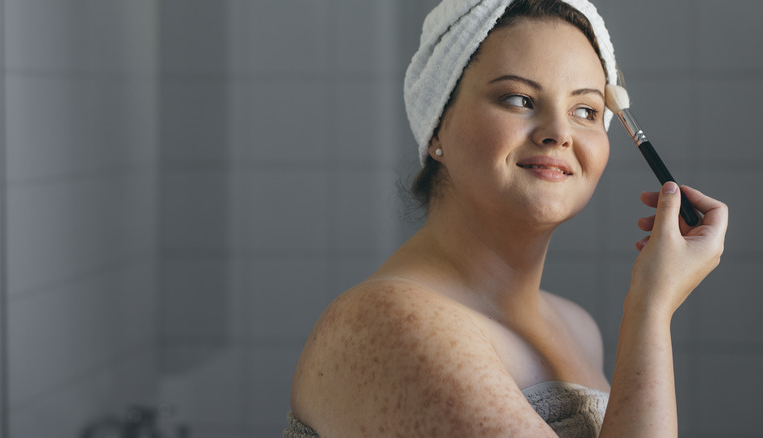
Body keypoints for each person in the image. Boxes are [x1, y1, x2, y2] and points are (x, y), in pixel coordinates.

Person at [285, 0, 728, 436]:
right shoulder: (389, 324)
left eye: (586, 111)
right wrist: (650, 310)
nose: (559, 131)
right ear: (438, 126)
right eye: (518, 99)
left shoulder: (576, 328)